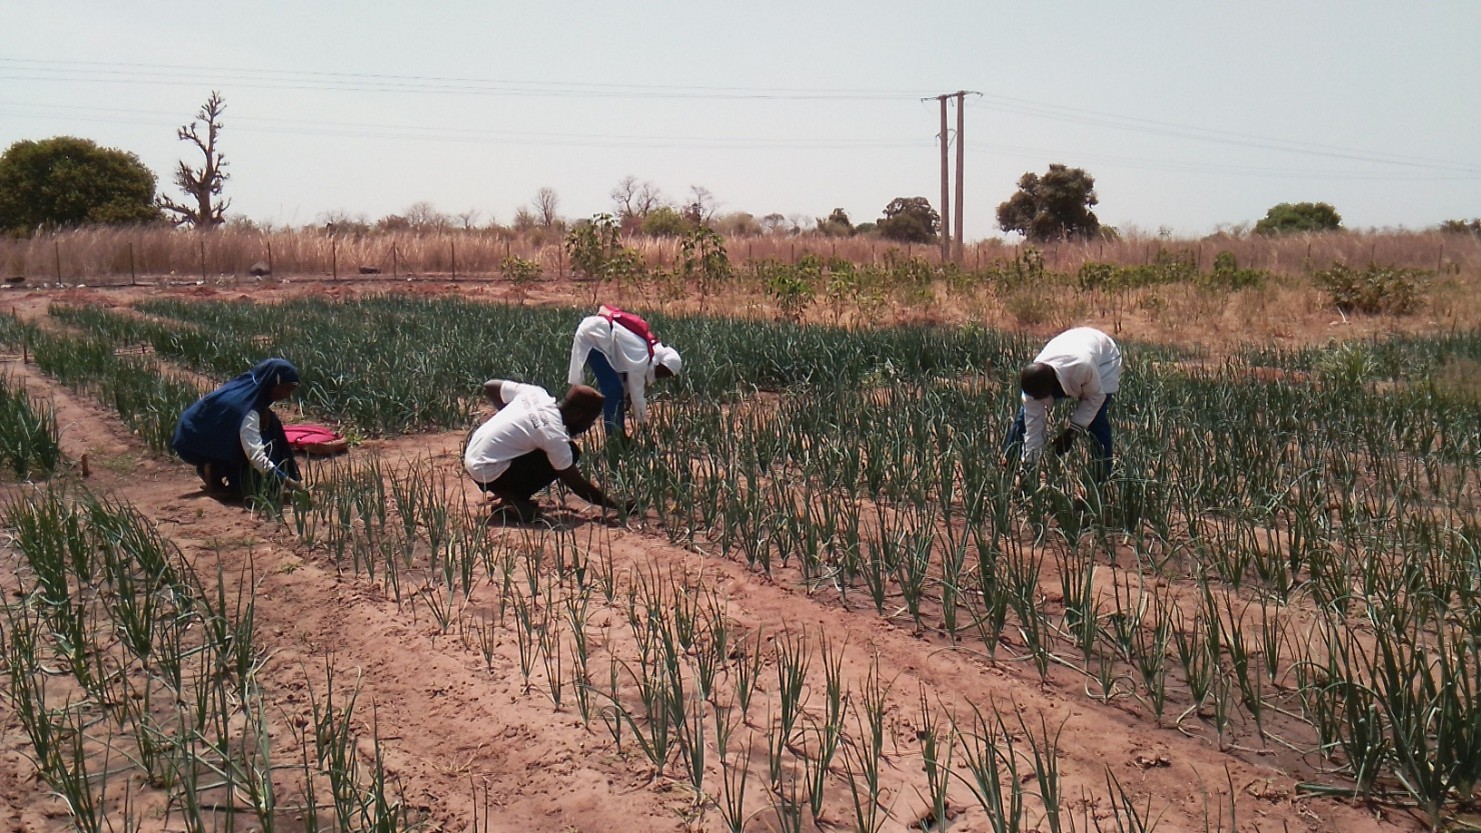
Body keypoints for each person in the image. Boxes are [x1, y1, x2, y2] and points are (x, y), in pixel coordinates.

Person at [463, 378, 631, 523]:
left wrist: (511, 419)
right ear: (578, 414)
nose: (588, 427)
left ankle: (508, 493)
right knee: (570, 453)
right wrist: (617, 505)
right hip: (487, 469)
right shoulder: (553, 434)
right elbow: (576, 484)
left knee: (548, 451)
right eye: (590, 421)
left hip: (474, 456)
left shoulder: (536, 393)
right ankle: (512, 499)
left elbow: (490, 385)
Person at [172, 357, 306, 496]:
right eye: (287, 389)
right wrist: (287, 481)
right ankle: (213, 468)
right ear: (274, 382)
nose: (288, 395)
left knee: (271, 423)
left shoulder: (251, 383)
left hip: (198, 429)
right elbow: (256, 455)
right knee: (260, 487)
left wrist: (264, 409)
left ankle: (216, 467)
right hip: (192, 439)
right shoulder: (250, 412)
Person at [1003, 327, 1123, 482]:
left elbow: (1095, 398)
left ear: (1053, 386)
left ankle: (1100, 480)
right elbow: (1034, 428)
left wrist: (1072, 432)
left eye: (1042, 396)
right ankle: (1010, 467)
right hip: (1072, 346)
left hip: (1104, 359)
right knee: (1024, 418)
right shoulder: (1033, 386)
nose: (1039, 400)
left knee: (1096, 422)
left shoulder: (1082, 368)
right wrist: (1029, 467)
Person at [567, 305, 682, 440]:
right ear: (660, 363)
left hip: (598, 335)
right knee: (613, 390)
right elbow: (637, 396)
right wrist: (643, 426)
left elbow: (627, 383)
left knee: (616, 391)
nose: (660, 376)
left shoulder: (646, 350)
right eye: (664, 372)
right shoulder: (642, 358)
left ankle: (616, 433)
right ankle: (615, 438)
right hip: (594, 337)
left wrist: (626, 399)